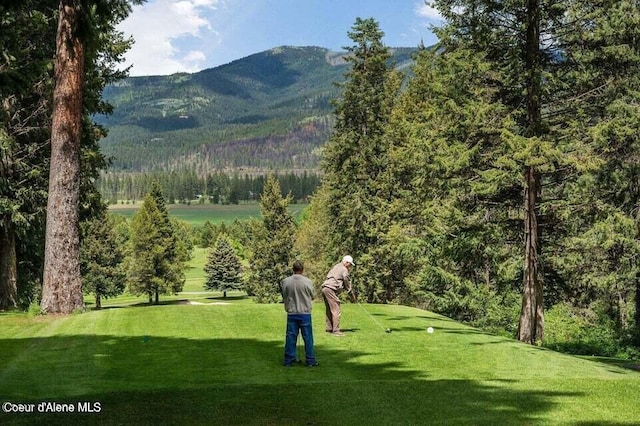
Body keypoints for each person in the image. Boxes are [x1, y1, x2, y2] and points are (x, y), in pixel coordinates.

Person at [282, 260, 319, 367]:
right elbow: (312, 295)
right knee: (308, 338)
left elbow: (285, 295)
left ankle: (289, 359)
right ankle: (310, 360)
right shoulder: (307, 281)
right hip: (305, 312)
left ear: (293, 269)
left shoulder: (286, 281)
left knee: (290, 337)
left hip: (292, 312)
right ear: (302, 269)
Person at [321, 255, 355, 336]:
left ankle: (329, 328)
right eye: (350, 264)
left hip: (325, 288)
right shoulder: (344, 270)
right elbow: (346, 280)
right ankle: (336, 330)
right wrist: (350, 292)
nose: (350, 267)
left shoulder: (336, 266)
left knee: (329, 309)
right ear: (346, 263)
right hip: (331, 289)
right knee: (336, 309)